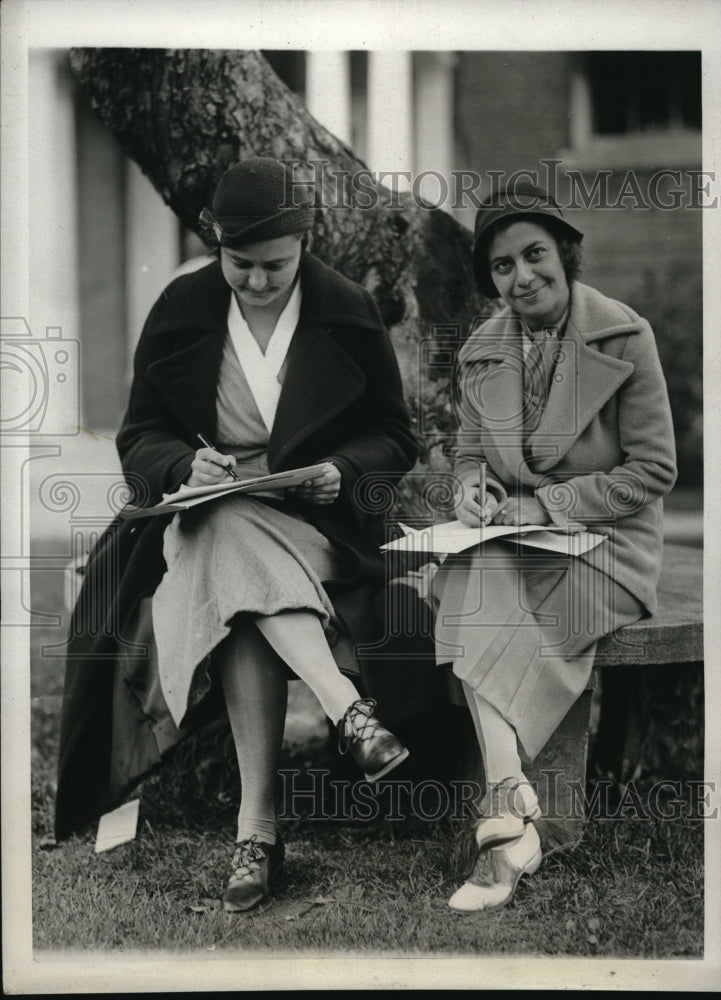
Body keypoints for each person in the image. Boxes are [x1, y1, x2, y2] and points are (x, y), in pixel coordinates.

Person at [55, 157, 418, 913]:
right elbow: (140, 434)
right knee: (221, 527)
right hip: (202, 515)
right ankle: (346, 710)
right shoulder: (183, 307)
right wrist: (186, 464)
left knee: (235, 575)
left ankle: (255, 832)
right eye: (239, 264)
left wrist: (340, 470)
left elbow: (391, 436)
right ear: (215, 244)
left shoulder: (346, 309)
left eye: (275, 267)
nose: (256, 282)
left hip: (313, 529)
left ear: (304, 244)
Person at [433, 182, 677, 911]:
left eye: (533, 255)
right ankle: (516, 816)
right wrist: (469, 491)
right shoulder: (482, 351)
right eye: (502, 266)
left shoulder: (622, 336)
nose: (521, 276)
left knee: (467, 587)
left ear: (563, 255)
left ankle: (504, 804)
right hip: (518, 548)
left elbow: (653, 472)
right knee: (468, 567)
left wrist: (549, 502)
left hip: (608, 549)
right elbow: (469, 454)